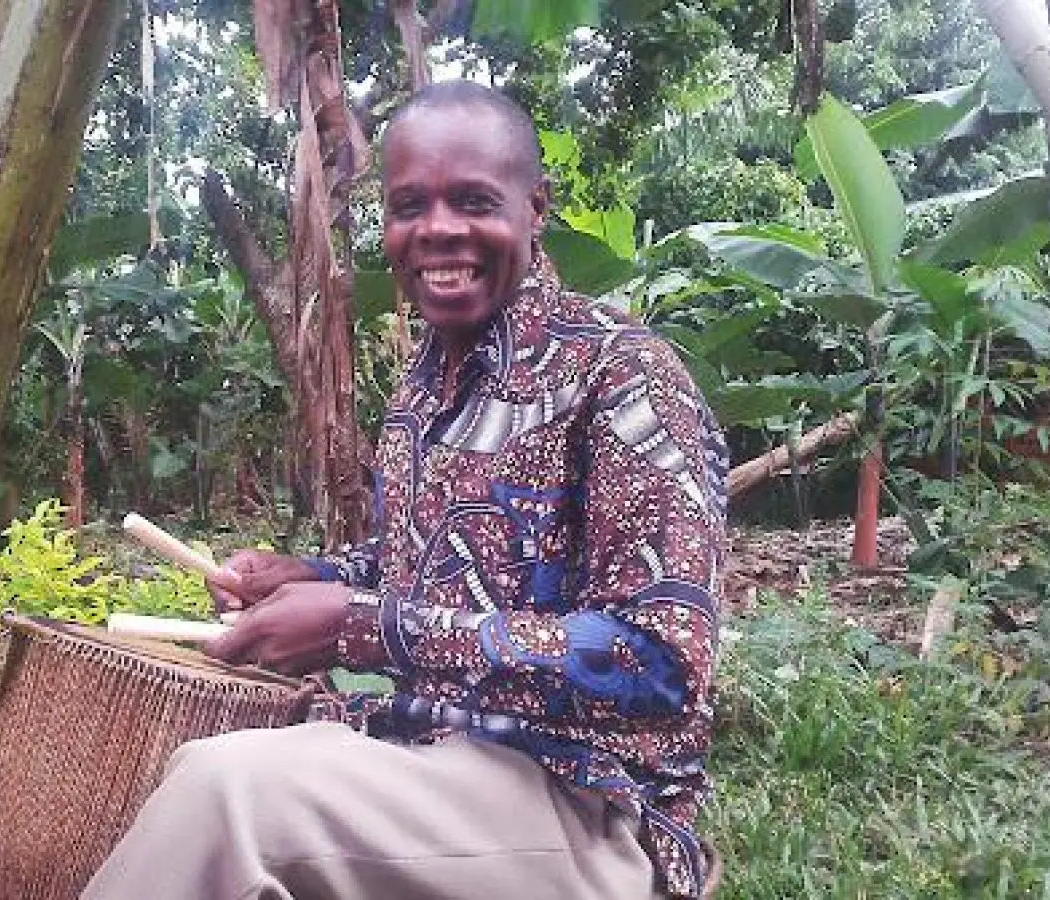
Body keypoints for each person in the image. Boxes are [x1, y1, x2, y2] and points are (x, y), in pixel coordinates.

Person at [82, 80, 729, 900]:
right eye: (409, 205)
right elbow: (417, 566)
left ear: (536, 208)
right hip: (432, 756)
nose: (437, 232)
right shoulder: (427, 380)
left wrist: (363, 628)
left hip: (584, 801)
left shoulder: (623, 375)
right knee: (185, 761)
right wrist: (312, 577)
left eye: (473, 201)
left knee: (229, 794)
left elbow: (660, 661)